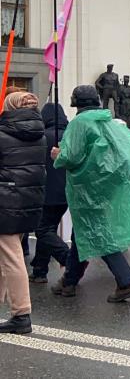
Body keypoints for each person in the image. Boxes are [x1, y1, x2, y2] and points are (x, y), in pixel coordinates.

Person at [51, 85, 130, 302]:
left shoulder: (80, 123)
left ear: (76, 101)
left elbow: (72, 157)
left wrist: (58, 154)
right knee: (83, 232)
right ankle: (68, 282)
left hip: (88, 189)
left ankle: (126, 281)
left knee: (98, 234)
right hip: (106, 188)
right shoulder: (110, 122)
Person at [0, 92, 46, 334]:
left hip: (5, 201)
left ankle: (21, 313)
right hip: (27, 200)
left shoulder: (3, 133)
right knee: (7, 255)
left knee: (12, 257)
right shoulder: (38, 135)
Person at [28, 103, 70, 284]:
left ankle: (68, 258)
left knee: (43, 229)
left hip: (46, 192)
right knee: (48, 228)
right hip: (66, 192)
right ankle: (39, 270)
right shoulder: (70, 137)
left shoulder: (41, 137)